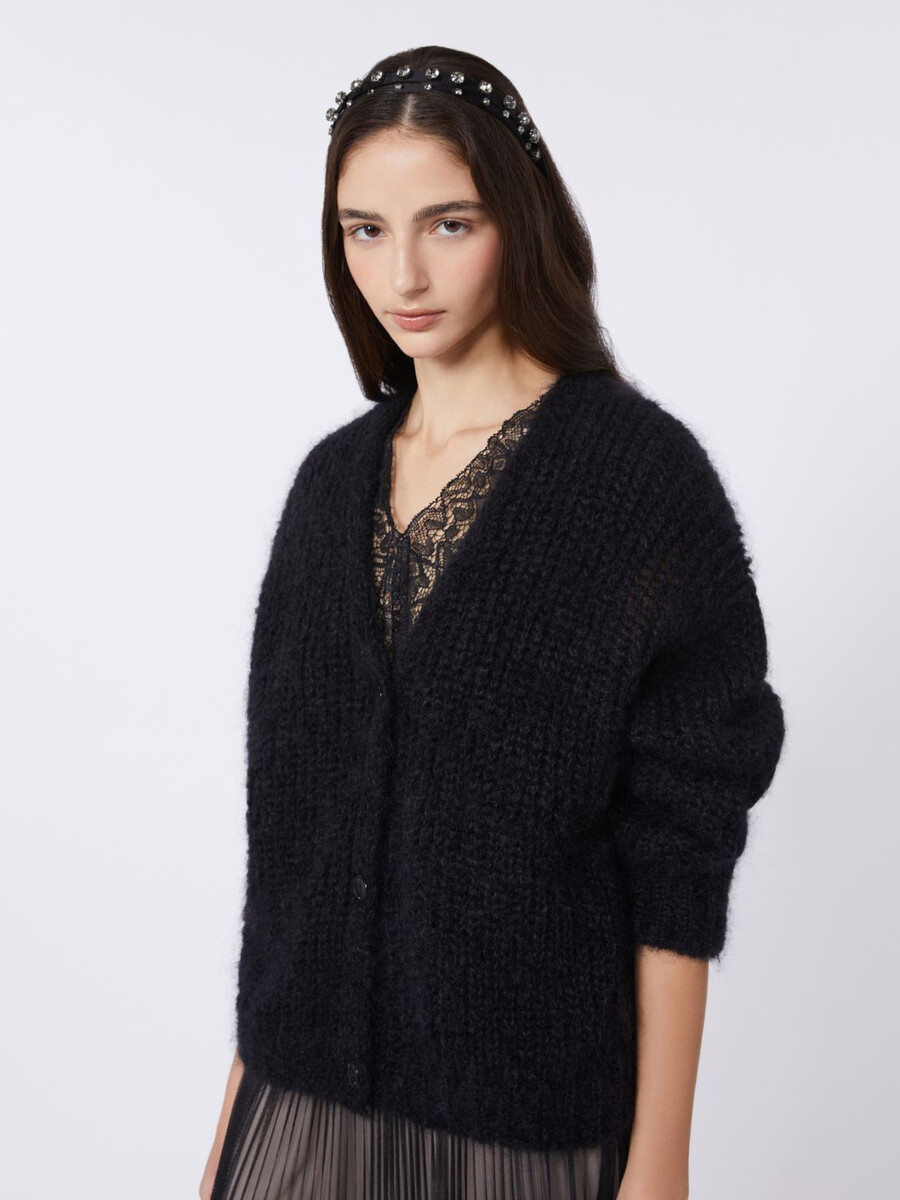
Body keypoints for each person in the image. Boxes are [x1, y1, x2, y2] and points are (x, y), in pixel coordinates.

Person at [200, 45, 786, 1200]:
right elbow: (291, 856)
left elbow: (681, 851)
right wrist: (232, 1138)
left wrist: (661, 1161)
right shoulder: (328, 489)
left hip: (524, 1135)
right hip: (296, 1117)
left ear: (520, 220)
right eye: (365, 230)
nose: (402, 272)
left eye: (448, 224)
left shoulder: (640, 484)